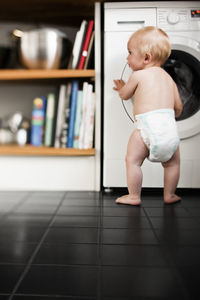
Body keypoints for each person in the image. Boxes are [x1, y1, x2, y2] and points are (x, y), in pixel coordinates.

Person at [113, 26, 183, 206]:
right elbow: (179, 109)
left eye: (129, 52)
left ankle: (134, 196)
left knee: (133, 161)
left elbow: (125, 95)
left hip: (147, 127)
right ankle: (169, 195)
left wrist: (121, 87)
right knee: (172, 164)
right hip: (169, 129)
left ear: (146, 58)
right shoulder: (169, 79)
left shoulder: (138, 75)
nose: (127, 57)